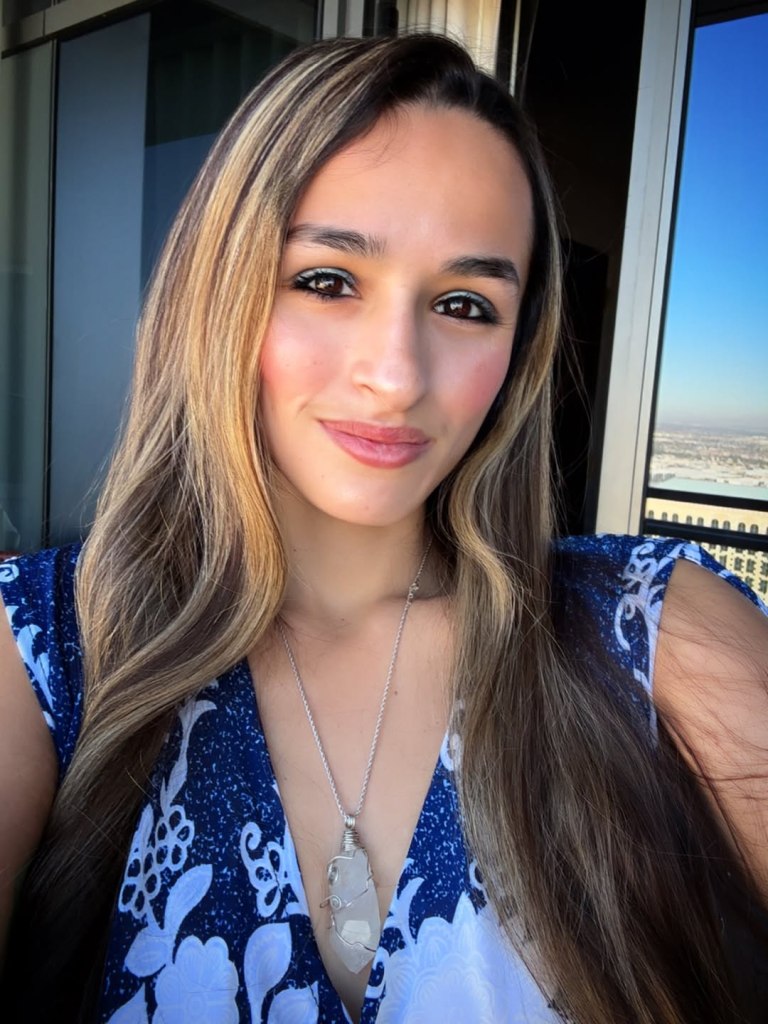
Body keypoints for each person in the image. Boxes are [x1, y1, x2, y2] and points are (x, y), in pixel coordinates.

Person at [0, 32, 766, 1024]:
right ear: (219, 290)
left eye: (464, 303)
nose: (397, 374)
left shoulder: (648, 631)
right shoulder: (43, 652)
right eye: (326, 280)